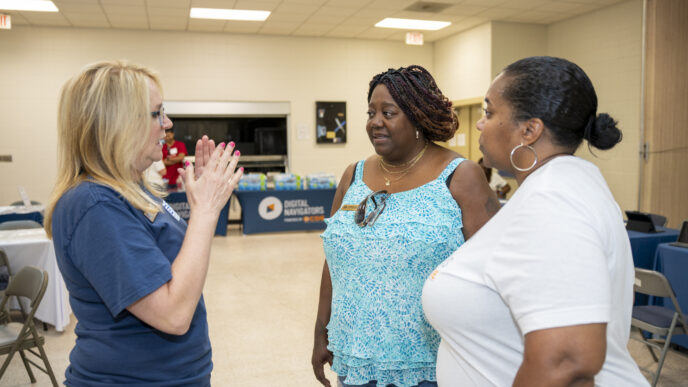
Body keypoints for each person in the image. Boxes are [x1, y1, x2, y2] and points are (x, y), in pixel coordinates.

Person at [422, 56, 649, 386]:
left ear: (529, 130)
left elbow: (566, 360)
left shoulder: (554, 200)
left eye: (489, 112)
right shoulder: (555, 186)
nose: (479, 124)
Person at [45, 60, 243, 386]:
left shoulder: (130, 190)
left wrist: (205, 206)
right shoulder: (94, 205)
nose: (167, 123)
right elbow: (173, 314)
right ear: (117, 123)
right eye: (156, 113)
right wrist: (206, 211)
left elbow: (174, 269)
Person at [312, 65, 499, 387]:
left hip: (430, 362)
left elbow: (493, 273)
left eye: (388, 112)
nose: (375, 122)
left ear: (417, 117)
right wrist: (321, 332)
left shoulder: (461, 176)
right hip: (354, 356)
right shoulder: (353, 175)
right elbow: (335, 262)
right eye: (370, 112)